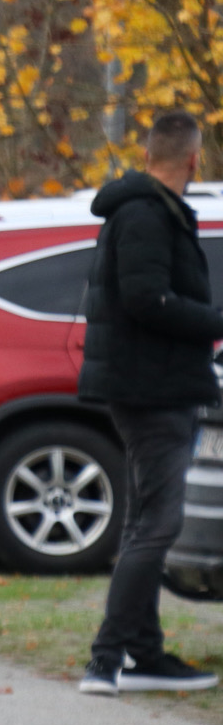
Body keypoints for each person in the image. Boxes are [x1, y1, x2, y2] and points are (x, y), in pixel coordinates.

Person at [77, 109, 223, 695]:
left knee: (145, 522)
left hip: (151, 385)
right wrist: (216, 323)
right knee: (157, 525)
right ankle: (107, 659)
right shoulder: (145, 215)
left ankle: (143, 655)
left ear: (146, 156)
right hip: (153, 389)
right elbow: (146, 298)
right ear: (193, 160)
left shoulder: (144, 210)